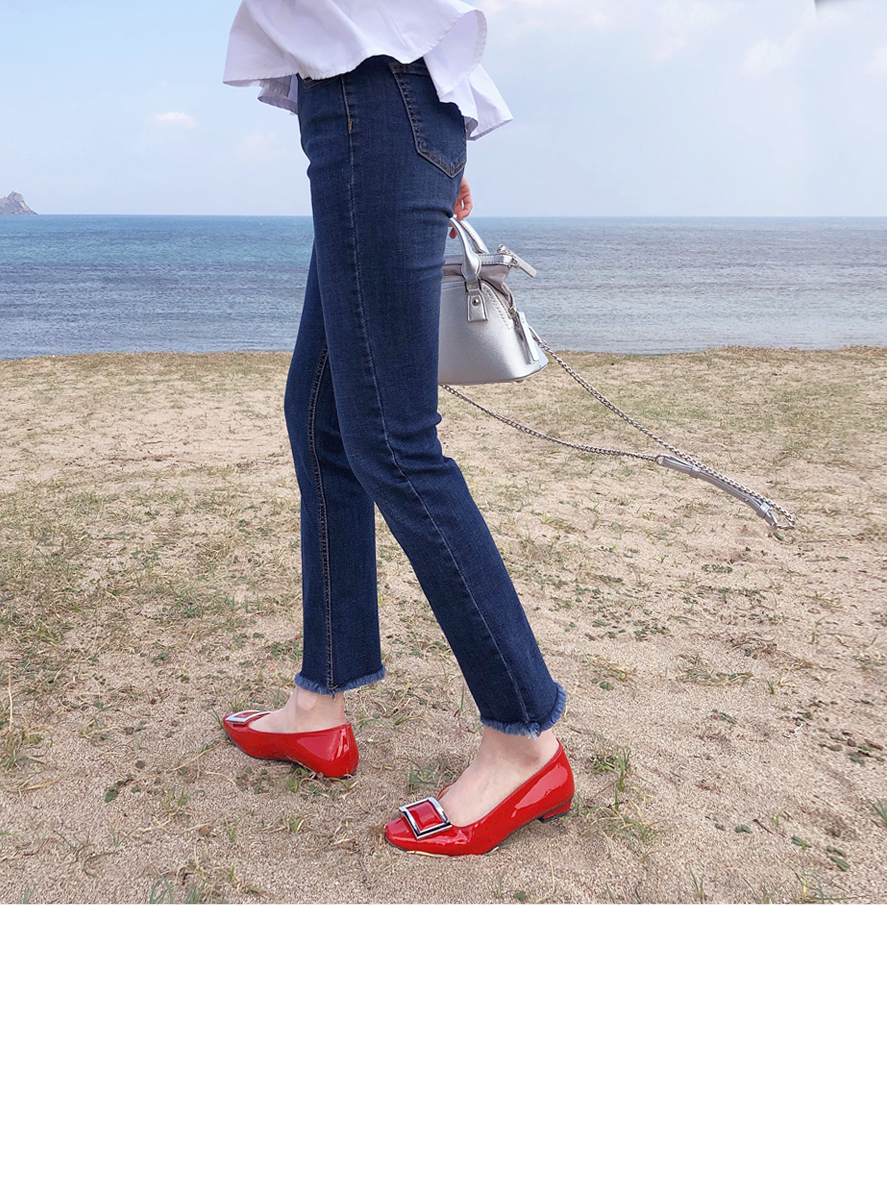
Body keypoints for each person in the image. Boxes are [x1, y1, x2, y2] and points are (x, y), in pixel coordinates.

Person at [221, 0, 573, 856]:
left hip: (373, 102)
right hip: (371, 110)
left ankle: (525, 741)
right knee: (320, 420)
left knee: (393, 440)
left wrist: (414, 140)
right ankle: (319, 700)